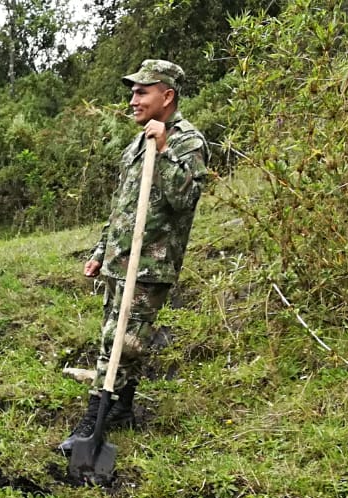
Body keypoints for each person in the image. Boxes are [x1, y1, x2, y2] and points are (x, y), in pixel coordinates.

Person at [59, 59, 208, 454]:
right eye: (133, 91)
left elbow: (185, 198)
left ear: (167, 95)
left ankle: (94, 417)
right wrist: (99, 252)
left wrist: (162, 149)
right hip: (120, 261)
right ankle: (123, 407)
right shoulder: (136, 142)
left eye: (142, 91)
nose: (133, 99)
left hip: (151, 263)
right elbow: (122, 207)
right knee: (122, 337)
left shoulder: (187, 143)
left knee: (120, 341)